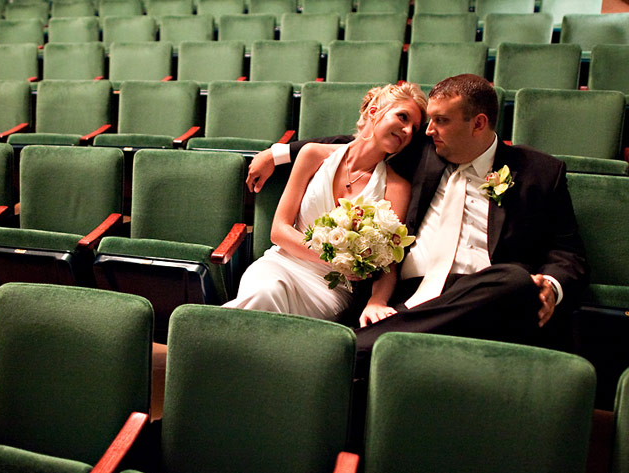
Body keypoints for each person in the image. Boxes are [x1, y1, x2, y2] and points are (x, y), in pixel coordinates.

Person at [247, 74, 588, 358]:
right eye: (429, 120)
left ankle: (349, 350)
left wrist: (552, 285)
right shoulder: (424, 152)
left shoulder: (539, 171)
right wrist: (278, 153)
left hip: (483, 293)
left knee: (515, 281)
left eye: (441, 121)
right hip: (409, 299)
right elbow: (364, 140)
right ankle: (370, 347)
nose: (427, 130)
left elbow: (568, 251)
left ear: (478, 124)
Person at [223, 83, 428, 323]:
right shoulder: (312, 155)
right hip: (280, 263)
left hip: (331, 288)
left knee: (266, 299)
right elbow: (278, 231)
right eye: (402, 117)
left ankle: (208, 330)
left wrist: (377, 302)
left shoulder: (397, 187)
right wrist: (334, 257)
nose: (407, 130)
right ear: (374, 111)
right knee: (266, 291)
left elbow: (389, 265)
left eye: (414, 128)